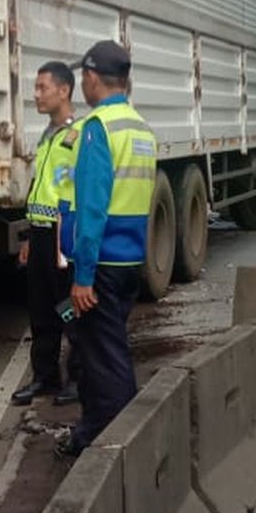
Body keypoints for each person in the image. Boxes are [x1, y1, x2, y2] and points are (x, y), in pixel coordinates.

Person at [53, 40, 156, 457]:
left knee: (107, 359)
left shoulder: (97, 128)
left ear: (92, 78)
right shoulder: (140, 129)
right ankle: (88, 433)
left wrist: (82, 277)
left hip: (100, 266)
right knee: (93, 348)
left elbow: (93, 209)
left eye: (84, 78)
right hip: (129, 259)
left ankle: (118, 445)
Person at [10, 62, 82, 407]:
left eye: (42, 88)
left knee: (67, 307)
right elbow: (39, 186)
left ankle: (80, 378)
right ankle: (45, 377)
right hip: (39, 235)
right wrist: (26, 236)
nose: (36, 95)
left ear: (64, 90)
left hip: (61, 238)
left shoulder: (79, 134)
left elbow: (83, 189)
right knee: (40, 310)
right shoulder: (48, 135)